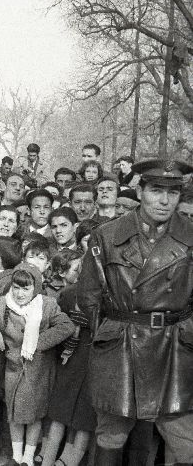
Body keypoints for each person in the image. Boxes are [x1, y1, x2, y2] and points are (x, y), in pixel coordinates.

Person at [78, 159, 193, 465]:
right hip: (122, 347)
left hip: (174, 348)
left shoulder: (191, 236)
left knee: (184, 439)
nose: (165, 200)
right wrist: (109, 336)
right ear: (140, 190)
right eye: (156, 190)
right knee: (111, 434)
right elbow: (88, 296)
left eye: (173, 192)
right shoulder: (107, 235)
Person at [0, 264, 74, 466]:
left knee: (35, 415)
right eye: (16, 288)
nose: (20, 294)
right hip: (13, 368)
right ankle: (16, 456)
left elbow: (67, 326)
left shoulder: (47, 305)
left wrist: (38, 343)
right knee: (14, 413)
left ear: (36, 288)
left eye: (26, 288)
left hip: (38, 370)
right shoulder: (0, 304)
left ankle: (28, 458)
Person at [39, 249, 95, 466]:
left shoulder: (110, 298)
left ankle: (68, 459)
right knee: (60, 408)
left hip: (93, 359)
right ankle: (49, 456)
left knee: (83, 413)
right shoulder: (71, 293)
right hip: (71, 357)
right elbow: (58, 324)